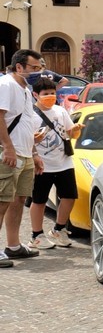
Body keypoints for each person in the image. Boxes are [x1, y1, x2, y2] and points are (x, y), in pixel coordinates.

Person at [0, 49, 46, 267]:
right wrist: (7, 148)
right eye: (34, 68)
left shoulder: (26, 89)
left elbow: (27, 123)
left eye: (39, 68)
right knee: (2, 201)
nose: (38, 72)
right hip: (9, 153)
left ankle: (13, 245)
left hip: (25, 153)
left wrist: (35, 154)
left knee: (18, 200)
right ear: (19, 67)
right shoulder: (6, 85)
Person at [28, 78, 79, 249]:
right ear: (36, 95)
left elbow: (69, 133)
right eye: (45, 94)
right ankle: (36, 235)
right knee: (39, 200)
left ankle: (59, 229)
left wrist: (76, 130)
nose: (50, 96)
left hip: (64, 162)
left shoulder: (60, 111)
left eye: (52, 93)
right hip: (42, 164)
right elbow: (26, 139)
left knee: (69, 196)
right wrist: (34, 145)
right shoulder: (29, 114)